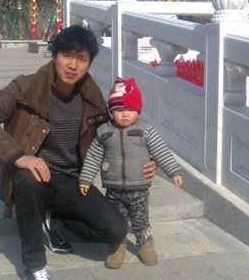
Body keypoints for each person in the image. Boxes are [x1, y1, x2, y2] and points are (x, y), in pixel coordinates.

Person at [0, 25, 156, 280]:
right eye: (67, 55)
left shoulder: (92, 98)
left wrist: (148, 159)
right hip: (32, 177)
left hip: (71, 180)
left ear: (89, 63)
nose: (73, 65)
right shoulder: (25, 87)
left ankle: (53, 224)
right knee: (29, 178)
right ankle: (35, 265)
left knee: (115, 229)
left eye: (82, 59)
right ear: (54, 55)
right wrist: (19, 156)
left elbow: (117, 132)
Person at [78, 77, 183, 269]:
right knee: (117, 221)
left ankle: (145, 244)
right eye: (119, 110)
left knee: (140, 219)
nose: (125, 114)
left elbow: (161, 151)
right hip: (114, 188)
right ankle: (117, 247)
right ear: (111, 111)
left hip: (139, 188)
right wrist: (85, 180)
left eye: (130, 110)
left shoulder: (145, 130)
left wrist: (174, 171)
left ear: (138, 111)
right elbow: (93, 157)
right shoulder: (104, 131)